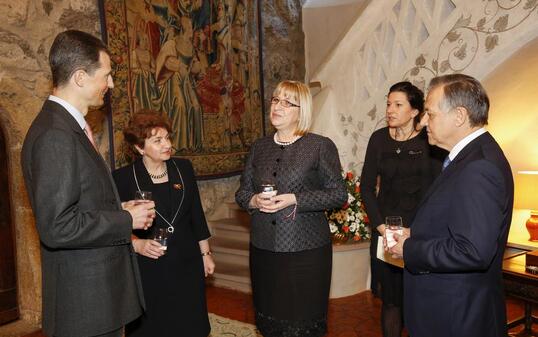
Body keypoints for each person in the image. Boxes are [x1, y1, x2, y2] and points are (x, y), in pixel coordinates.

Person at [20, 30, 156, 337]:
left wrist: (117, 207)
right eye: (106, 75)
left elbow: (77, 201)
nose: (110, 84)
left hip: (99, 300)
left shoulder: (69, 128)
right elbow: (57, 226)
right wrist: (125, 219)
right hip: (86, 306)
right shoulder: (55, 135)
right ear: (80, 77)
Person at [390, 74, 514, 337]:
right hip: (449, 310)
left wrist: (411, 248)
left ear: (459, 116)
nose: (423, 122)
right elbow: (457, 222)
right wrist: (418, 234)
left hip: (457, 316)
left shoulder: (479, 167)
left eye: (430, 115)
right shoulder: (468, 158)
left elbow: (472, 250)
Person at [235, 80, 347, 337]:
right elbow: (242, 193)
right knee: (269, 320)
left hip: (305, 252)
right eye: (275, 100)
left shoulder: (319, 146)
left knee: (301, 323)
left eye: (287, 102)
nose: (278, 107)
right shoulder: (259, 147)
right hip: (263, 249)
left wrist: (294, 198)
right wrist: (253, 201)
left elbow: (338, 194)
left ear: (302, 110)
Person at [112, 110, 215, 337]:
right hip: (149, 265)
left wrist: (205, 254)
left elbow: (196, 213)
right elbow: (115, 224)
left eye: (167, 138)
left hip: (186, 260)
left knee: (190, 322)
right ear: (140, 148)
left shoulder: (184, 168)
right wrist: (136, 242)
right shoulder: (122, 178)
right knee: (155, 326)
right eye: (157, 140)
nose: (167, 144)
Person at [360, 81, 444, 337]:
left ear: (415, 111)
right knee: (391, 301)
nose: (390, 110)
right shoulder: (378, 139)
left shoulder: (429, 140)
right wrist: (382, 227)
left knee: (418, 300)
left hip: (418, 234)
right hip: (385, 230)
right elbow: (366, 187)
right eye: (388, 104)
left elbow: (437, 191)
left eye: (398, 105)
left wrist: (415, 232)